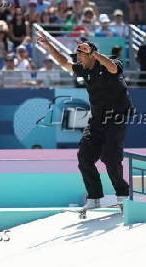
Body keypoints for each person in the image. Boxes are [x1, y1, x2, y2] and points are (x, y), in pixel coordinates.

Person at [37, 31, 133, 210]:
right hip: (97, 118)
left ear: (91, 55)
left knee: (110, 158)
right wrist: (49, 46)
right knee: (84, 157)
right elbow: (64, 63)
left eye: (81, 54)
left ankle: (123, 195)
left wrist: (95, 54)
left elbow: (113, 69)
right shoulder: (83, 68)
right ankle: (95, 197)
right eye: (78, 54)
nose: (78, 57)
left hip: (117, 115)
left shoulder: (110, 61)